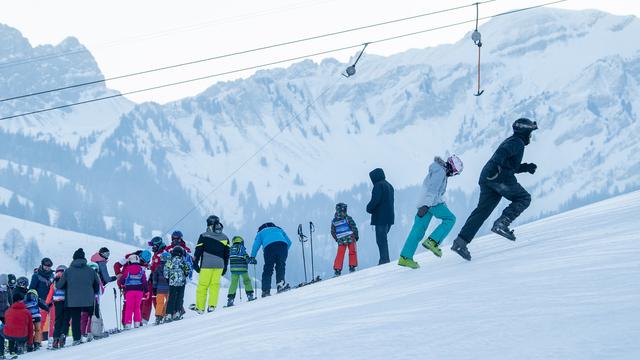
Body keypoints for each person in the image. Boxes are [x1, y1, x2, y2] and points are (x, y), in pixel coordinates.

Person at [451, 119, 538, 261]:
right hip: (499, 177)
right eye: (530, 132)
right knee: (524, 198)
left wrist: (526, 167)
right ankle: (502, 224)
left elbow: (510, 165)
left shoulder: (513, 141)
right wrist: (497, 168)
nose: (531, 136)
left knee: (482, 212)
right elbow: (501, 155)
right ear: (525, 132)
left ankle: (460, 243)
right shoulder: (517, 142)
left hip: (488, 177)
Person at [398, 155, 463, 269]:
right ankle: (432, 241)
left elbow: (434, 191)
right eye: (455, 172)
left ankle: (405, 257)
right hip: (431, 203)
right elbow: (432, 190)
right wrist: (426, 205)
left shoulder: (439, 170)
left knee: (417, 231)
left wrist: (424, 205)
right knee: (450, 219)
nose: (454, 174)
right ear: (452, 167)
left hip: (425, 203)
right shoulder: (441, 172)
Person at [56, 248, 101, 345]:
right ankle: (94, 333)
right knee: (93, 315)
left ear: (74, 258)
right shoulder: (91, 271)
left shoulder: (68, 271)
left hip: (73, 301)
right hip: (89, 300)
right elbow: (97, 286)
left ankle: (76, 339)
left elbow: (59, 286)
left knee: (76, 319)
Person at [192, 215, 230, 313]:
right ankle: (212, 306)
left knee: (203, 286)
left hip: (206, 265)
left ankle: (200, 307)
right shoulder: (225, 237)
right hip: (219, 266)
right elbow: (227, 254)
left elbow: (198, 251)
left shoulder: (203, 236)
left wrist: (195, 264)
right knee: (215, 285)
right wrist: (225, 266)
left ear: (209, 224)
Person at [249, 222, 292, 297]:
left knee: (268, 269)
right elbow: (289, 242)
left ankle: (266, 291)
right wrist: (283, 253)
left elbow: (256, 246)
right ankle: (280, 285)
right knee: (280, 266)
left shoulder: (260, 232)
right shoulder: (279, 229)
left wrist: (252, 257)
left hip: (269, 248)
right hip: (283, 246)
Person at [366, 168, 395, 264]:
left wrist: (368, 208)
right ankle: (384, 259)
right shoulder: (389, 185)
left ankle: (384, 260)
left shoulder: (378, 186)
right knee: (384, 239)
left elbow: (375, 200)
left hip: (380, 218)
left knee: (381, 240)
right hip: (389, 217)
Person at [118, 254, 148, 329]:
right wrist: (147, 291)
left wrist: (121, 283)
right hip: (139, 291)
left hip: (129, 291)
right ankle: (137, 323)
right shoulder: (141, 270)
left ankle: (128, 324)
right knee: (137, 307)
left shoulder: (127, 269)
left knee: (129, 307)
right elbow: (144, 281)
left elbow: (123, 279)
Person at [28, 257, 54, 344]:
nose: (48, 268)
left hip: (51, 301)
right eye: (46, 266)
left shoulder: (52, 275)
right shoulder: (36, 276)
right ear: (42, 265)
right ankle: (37, 341)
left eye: (49, 266)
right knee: (40, 323)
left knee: (52, 321)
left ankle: (52, 338)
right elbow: (31, 289)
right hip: (40, 302)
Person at [226, 236, 255, 307]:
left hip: (233, 270)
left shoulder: (230, 249)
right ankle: (249, 295)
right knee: (246, 281)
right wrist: (251, 260)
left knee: (233, 283)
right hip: (242, 269)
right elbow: (245, 256)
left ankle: (230, 299)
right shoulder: (241, 248)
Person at [331, 203, 359, 276]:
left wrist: (337, 239)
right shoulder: (348, 218)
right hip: (350, 238)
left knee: (340, 254)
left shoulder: (334, 221)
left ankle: (337, 270)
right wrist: (356, 236)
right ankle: (352, 266)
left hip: (341, 240)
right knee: (352, 251)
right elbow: (354, 227)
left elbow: (332, 231)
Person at [2, 292, 33, 357]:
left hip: (9, 335)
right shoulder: (27, 312)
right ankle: (20, 345)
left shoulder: (8, 311)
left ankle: (9, 350)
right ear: (22, 300)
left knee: (4, 329)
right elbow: (30, 329)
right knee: (21, 331)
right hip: (22, 336)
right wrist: (30, 343)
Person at [164, 246, 190, 321]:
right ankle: (177, 313)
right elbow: (187, 271)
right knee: (179, 298)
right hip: (181, 283)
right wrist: (184, 276)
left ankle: (169, 314)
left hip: (172, 283)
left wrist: (168, 278)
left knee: (171, 298)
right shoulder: (183, 261)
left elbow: (166, 271)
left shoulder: (170, 261)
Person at [46, 265, 67, 350]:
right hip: (66, 302)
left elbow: (51, 293)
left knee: (58, 320)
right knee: (65, 320)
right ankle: (63, 336)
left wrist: (47, 302)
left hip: (57, 303)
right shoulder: (67, 280)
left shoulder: (54, 281)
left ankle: (55, 340)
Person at [152, 252, 170, 325]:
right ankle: (165, 314)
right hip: (169, 288)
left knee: (159, 303)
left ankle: (158, 317)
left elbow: (155, 278)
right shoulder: (170, 267)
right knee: (168, 302)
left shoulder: (158, 267)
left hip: (159, 288)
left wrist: (154, 287)